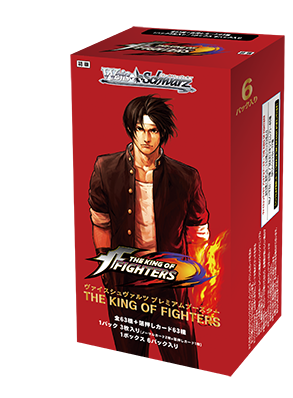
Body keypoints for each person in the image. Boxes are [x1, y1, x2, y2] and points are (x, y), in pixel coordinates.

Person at [88, 94, 210, 377]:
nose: (146, 138)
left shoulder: (185, 177)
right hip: (125, 282)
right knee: (130, 364)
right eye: (140, 129)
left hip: (170, 285)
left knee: (182, 365)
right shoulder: (106, 169)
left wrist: (196, 282)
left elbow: (198, 231)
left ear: (162, 133)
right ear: (130, 129)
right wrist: (108, 274)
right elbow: (101, 222)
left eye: (153, 130)